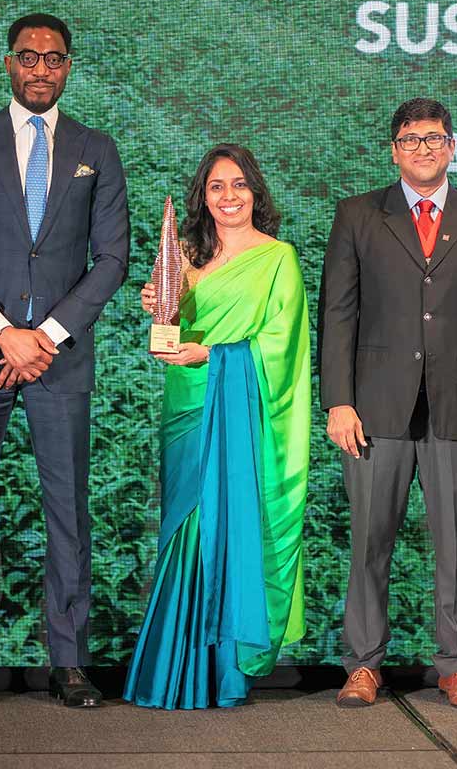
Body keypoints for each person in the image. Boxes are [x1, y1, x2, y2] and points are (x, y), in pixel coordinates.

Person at [0, 13, 129, 708]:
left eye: (55, 58)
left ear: (69, 67)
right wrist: (3, 332)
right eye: (29, 57)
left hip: (59, 361)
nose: (41, 69)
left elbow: (113, 260)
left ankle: (69, 663)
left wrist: (46, 336)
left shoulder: (96, 148)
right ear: (7, 63)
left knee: (68, 511)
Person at [319, 97, 457, 709]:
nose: (422, 148)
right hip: (374, 407)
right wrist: (339, 401)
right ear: (393, 150)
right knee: (368, 543)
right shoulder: (358, 215)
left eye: (434, 138)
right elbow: (339, 316)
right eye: (410, 139)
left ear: (453, 146)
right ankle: (362, 665)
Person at [124, 143, 311, 709]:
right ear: (202, 198)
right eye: (216, 187)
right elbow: (170, 326)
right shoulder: (183, 254)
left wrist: (215, 355)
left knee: (225, 528)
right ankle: (176, 666)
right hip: (185, 408)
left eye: (239, 185)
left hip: (239, 411)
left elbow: (283, 347)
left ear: (256, 191)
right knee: (184, 526)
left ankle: (222, 670)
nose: (229, 196)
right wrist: (156, 302)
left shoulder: (279, 258)